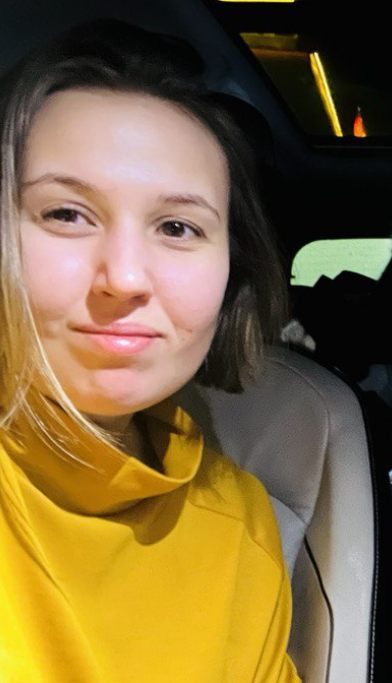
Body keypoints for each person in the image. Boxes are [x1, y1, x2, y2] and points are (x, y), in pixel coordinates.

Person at [0, 19, 300, 681]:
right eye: (65, 214)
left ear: (233, 276)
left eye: (178, 227)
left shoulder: (240, 522)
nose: (127, 276)